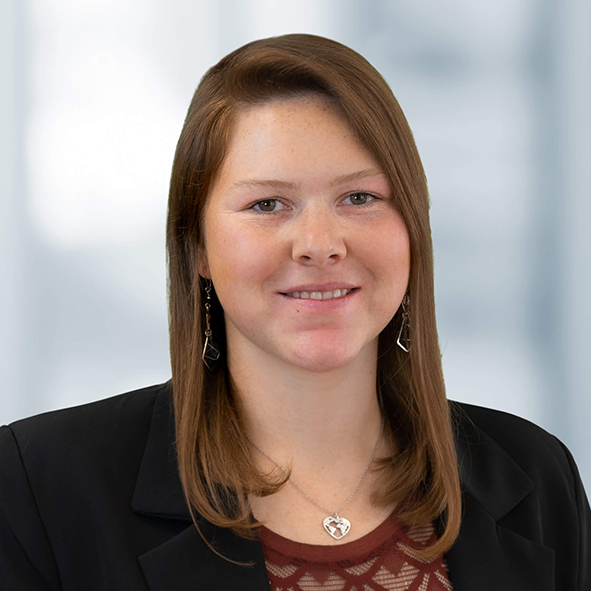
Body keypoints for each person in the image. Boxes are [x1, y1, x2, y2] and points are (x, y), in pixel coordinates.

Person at [0, 33, 589, 591]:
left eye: (359, 198)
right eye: (267, 203)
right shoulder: (39, 487)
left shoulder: (537, 476)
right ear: (196, 244)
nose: (319, 242)